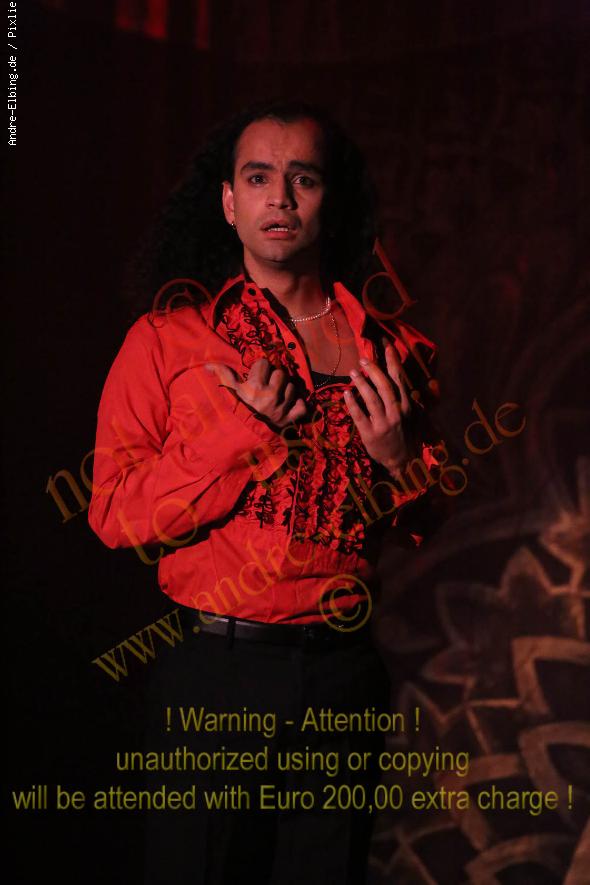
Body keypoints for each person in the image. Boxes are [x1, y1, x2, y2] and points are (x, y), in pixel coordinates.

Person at [88, 100, 444, 885]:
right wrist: (239, 435)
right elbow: (114, 512)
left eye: (302, 179)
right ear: (228, 202)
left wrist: (398, 458)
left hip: (342, 674)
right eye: (257, 178)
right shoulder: (167, 340)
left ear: (330, 200)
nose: (279, 197)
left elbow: (433, 513)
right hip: (216, 671)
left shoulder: (393, 350)